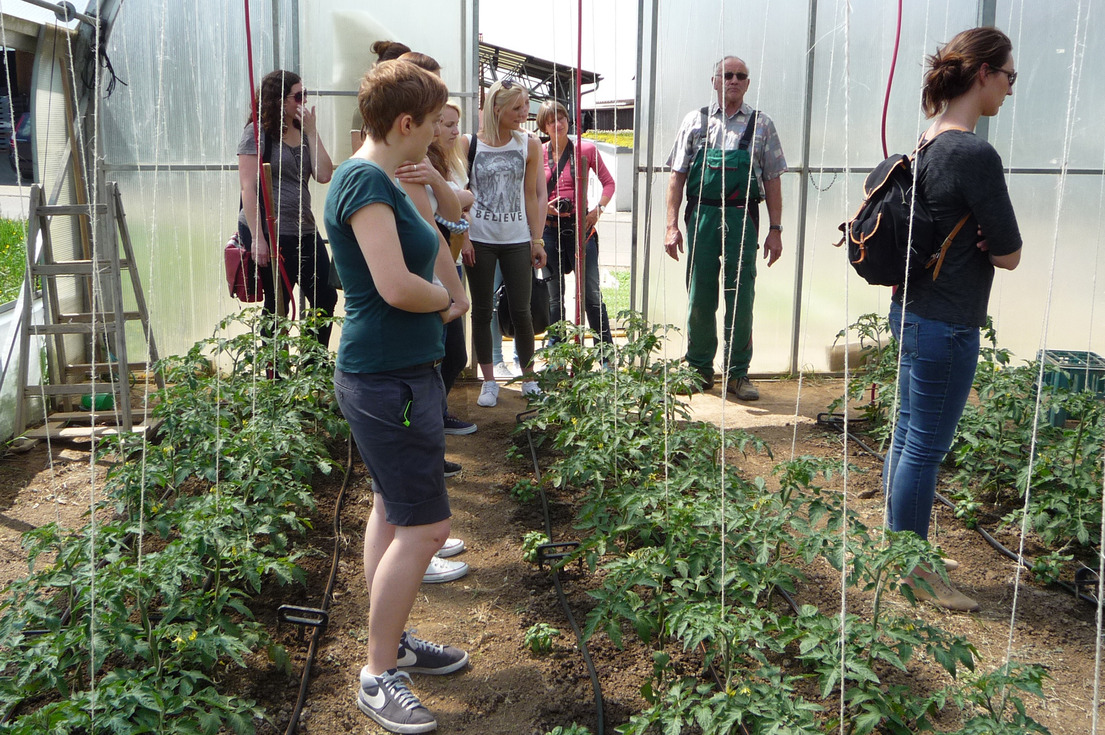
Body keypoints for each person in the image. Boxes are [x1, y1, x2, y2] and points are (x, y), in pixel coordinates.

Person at [325, 59, 469, 734]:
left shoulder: (386, 179)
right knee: (426, 526)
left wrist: (424, 197)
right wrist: (446, 300)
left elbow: (428, 247)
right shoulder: (360, 179)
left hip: (396, 372)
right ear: (403, 123)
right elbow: (395, 284)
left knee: (391, 506)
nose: (435, 141)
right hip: (387, 378)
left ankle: (396, 643)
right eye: (428, 126)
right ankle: (378, 672)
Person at [885, 27, 1022, 613]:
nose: (1011, 91)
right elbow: (1010, 253)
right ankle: (914, 571)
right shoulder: (972, 151)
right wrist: (993, 242)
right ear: (984, 73)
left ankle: (899, 554)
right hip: (947, 321)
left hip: (911, 311)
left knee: (906, 436)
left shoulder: (926, 142)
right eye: (1009, 77)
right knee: (923, 447)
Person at [664, 56, 787, 400]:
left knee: (741, 296)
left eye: (740, 76)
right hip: (701, 216)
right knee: (699, 295)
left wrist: (775, 229)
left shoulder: (762, 125)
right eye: (727, 75)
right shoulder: (695, 121)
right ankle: (699, 369)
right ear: (714, 80)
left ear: (748, 83)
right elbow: (677, 176)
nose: (733, 80)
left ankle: (737, 374)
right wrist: (671, 225)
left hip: (741, 217)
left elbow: (773, 179)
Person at [461, 79, 547, 407]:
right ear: (496, 109)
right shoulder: (469, 143)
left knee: (522, 311)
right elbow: (460, 193)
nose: (525, 113)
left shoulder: (529, 144)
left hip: (517, 239)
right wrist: (464, 236)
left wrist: (535, 239)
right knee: (482, 311)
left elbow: (533, 193)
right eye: (517, 107)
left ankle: (528, 377)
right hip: (479, 239)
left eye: (526, 105)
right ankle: (489, 381)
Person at [238, 70, 338, 348]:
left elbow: (323, 174)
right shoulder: (257, 133)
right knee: (278, 304)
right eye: (298, 96)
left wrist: (313, 131)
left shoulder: (303, 130)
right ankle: (277, 376)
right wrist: (258, 238)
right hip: (272, 232)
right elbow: (247, 187)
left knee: (325, 297)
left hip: (304, 228)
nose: (302, 101)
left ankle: (310, 368)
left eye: (304, 94)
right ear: (278, 100)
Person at [536, 100, 615, 348]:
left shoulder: (586, 149)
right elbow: (528, 191)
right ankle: (556, 352)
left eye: (561, 118)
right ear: (544, 126)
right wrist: (544, 207)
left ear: (568, 120)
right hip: (549, 230)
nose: (557, 124)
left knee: (591, 294)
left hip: (581, 229)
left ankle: (605, 353)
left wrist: (597, 210)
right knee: (553, 297)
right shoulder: (537, 153)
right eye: (551, 120)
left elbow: (609, 183)